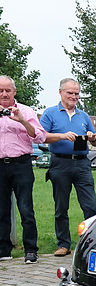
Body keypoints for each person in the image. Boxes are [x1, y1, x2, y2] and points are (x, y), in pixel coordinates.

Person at [40, 78, 96, 257]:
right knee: (61, 206)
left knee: (90, 205)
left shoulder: (83, 116)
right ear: (61, 92)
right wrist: (61, 136)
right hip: (60, 163)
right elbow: (42, 137)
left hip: (82, 163)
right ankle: (63, 244)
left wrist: (92, 137)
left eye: (76, 93)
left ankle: (91, 243)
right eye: (70, 93)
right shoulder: (50, 113)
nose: (74, 96)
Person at [0, 76, 46, 264]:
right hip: (0, 165)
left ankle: (30, 250)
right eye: (0, 90)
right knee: (1, 209)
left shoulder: (25, 111)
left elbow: (40, 137)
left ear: (14, 92)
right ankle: (3, 249)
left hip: (21, 164)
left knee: (26, 208)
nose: (4, 94)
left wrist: (21, 121)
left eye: (7, 90)